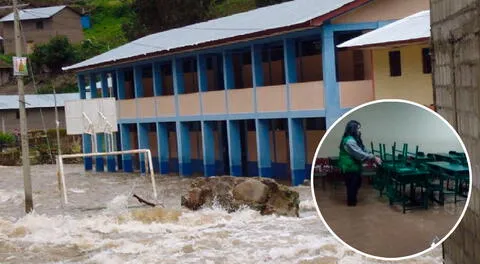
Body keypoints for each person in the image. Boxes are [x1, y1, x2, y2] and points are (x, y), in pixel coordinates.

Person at [338, 120, 382, 206]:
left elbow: (362, 150)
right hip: (349, 167)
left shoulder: (353, 139)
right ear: (353, 129)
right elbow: (359, 154)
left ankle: (352, 204)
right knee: (352, 187)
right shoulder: (350, 141)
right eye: (358, 128)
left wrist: (372, 156)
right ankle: (351, 207)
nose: (359, 131)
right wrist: (373, 158)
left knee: (355, 185)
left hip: (353, 167)